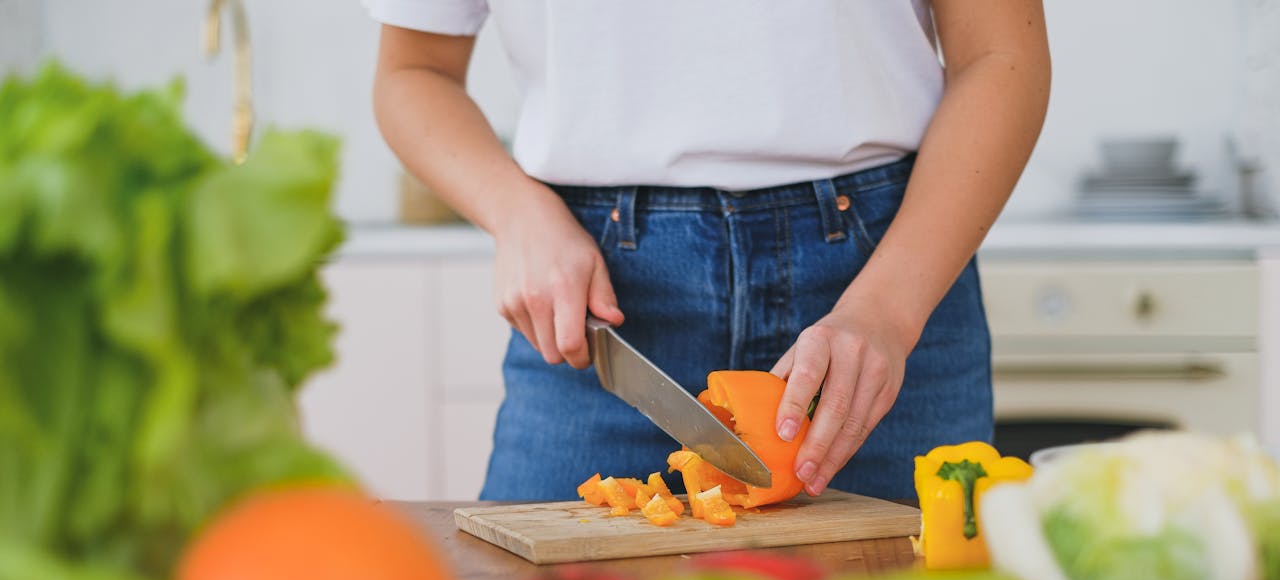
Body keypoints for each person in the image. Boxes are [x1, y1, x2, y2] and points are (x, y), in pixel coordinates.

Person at [366, 1, 1050, 501]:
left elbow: (1001, 53)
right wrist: (514, 212)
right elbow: (413, 72)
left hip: (886, 283)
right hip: (603, 301)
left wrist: (889, 309)